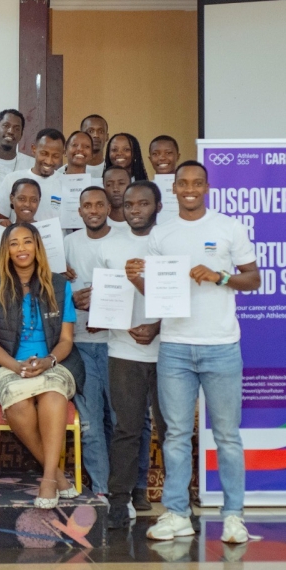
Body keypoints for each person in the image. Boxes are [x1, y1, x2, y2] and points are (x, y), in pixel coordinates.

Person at [136, 161, 260, 544]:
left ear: (207, 187)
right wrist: (136, 280)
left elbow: (253, 279)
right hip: (174, 347)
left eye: (197, 183)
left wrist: (220, 276)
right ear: (172, 189)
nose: (190, 188)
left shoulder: (228, 227)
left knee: (226, 435)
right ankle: (177, 514)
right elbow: (157, 294)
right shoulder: (162, 234)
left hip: (221, 346)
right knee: (174, 434)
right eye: (183, 183)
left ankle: (234, 517)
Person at [0, 222, 85, 508]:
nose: (21, 248)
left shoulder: (60, 285)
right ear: (6, 250)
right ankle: (59, 476)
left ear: (37, 246)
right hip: (4, 364)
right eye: (14, 243)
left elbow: (65, 340)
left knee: (52, 394)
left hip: (53, 361)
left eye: (27, 242)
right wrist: (16, 366)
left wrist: (48, 361)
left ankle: (48, 478)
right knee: (20, 402)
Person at [98, 181, 167, 529]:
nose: (135, 209)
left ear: (157, 205)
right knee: (126, 429)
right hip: (123, 348)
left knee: (172, 429)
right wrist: (117, 324)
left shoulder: (170, 242)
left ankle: (177, 505)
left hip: (169, 349)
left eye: (143, 203)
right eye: (129, 204)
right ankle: (118, 500)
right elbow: (108, 298)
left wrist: (158, 326)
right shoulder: (110, 245)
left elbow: (183, 296)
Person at [63, 186, 115, 497]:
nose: (93, 210)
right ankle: (102, 491)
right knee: (91, 423)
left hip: (119, 344)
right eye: (87, 205)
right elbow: (51, 294)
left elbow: (136, 290)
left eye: (99, 204)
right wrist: (72, 299)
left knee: (121, 422)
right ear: (79, 210)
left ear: (109, 207)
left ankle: (124, 490)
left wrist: (106, 314)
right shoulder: (67, 244)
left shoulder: (122, 242)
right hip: (79, 344)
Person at [0, 129, 65, 222]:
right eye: (44, 153)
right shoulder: (12, 179)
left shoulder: (66, 183)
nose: (48, 161)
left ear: (62, 154)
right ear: (34, 149)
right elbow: (2, 218)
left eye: (55, 156)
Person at [148, 135, 181, 226]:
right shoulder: (146, 189)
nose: (162, 158)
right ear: (150, 159)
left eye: (168, 153)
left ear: (177, 156)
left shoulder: (186, 187)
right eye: (156, 154)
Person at [103, 166, 132, 231]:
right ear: (104, 188)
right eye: (109, 184)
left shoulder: (142, 221)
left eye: (121, 183)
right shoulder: (98, 222)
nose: (115, 189)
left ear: (130, 186)